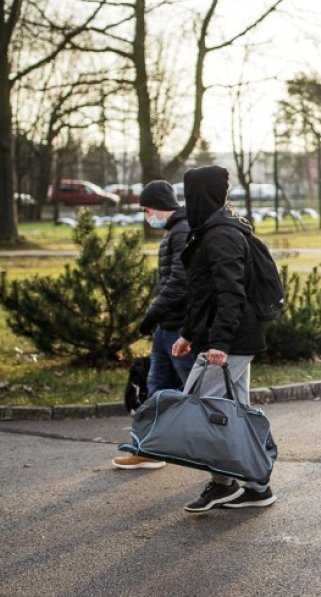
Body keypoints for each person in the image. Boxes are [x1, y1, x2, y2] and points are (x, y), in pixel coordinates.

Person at [171, 165, 276, 512]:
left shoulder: (220, 235)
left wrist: (219, 343)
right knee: (235, 411)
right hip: (229, 336)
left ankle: (224, 483)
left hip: (232, 338)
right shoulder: (212, 230)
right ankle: (256, 486)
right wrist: (189, 334)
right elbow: (203, 294)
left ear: (198, 195)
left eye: (188, 194)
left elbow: (231, 294)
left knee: (212, 410)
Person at [112, 181, 196, 471]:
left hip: (178, 328)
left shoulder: (182, 231)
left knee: (195, 392)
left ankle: (218, 452)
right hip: (166, 326)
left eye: (147, 210)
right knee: (156, 389)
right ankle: (149, 449)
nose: (148, 216)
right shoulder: (174, 230)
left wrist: (149, 315)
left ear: (159, 206)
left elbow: (179, 283)